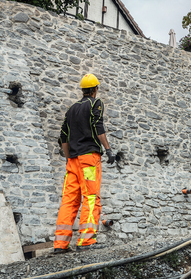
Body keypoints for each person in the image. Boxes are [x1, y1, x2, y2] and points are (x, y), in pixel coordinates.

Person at [53, 74, 116, 253]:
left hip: (72, 161)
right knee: (90, 197)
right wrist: (109, 150)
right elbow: (98, 126)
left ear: (82, 90)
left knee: (69, 200)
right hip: (89, 159)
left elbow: (63, 136)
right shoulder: (95, 104)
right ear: (95, 89)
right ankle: (86, 240)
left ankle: (60, 244)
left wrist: (68, 159)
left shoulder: (71, 109)